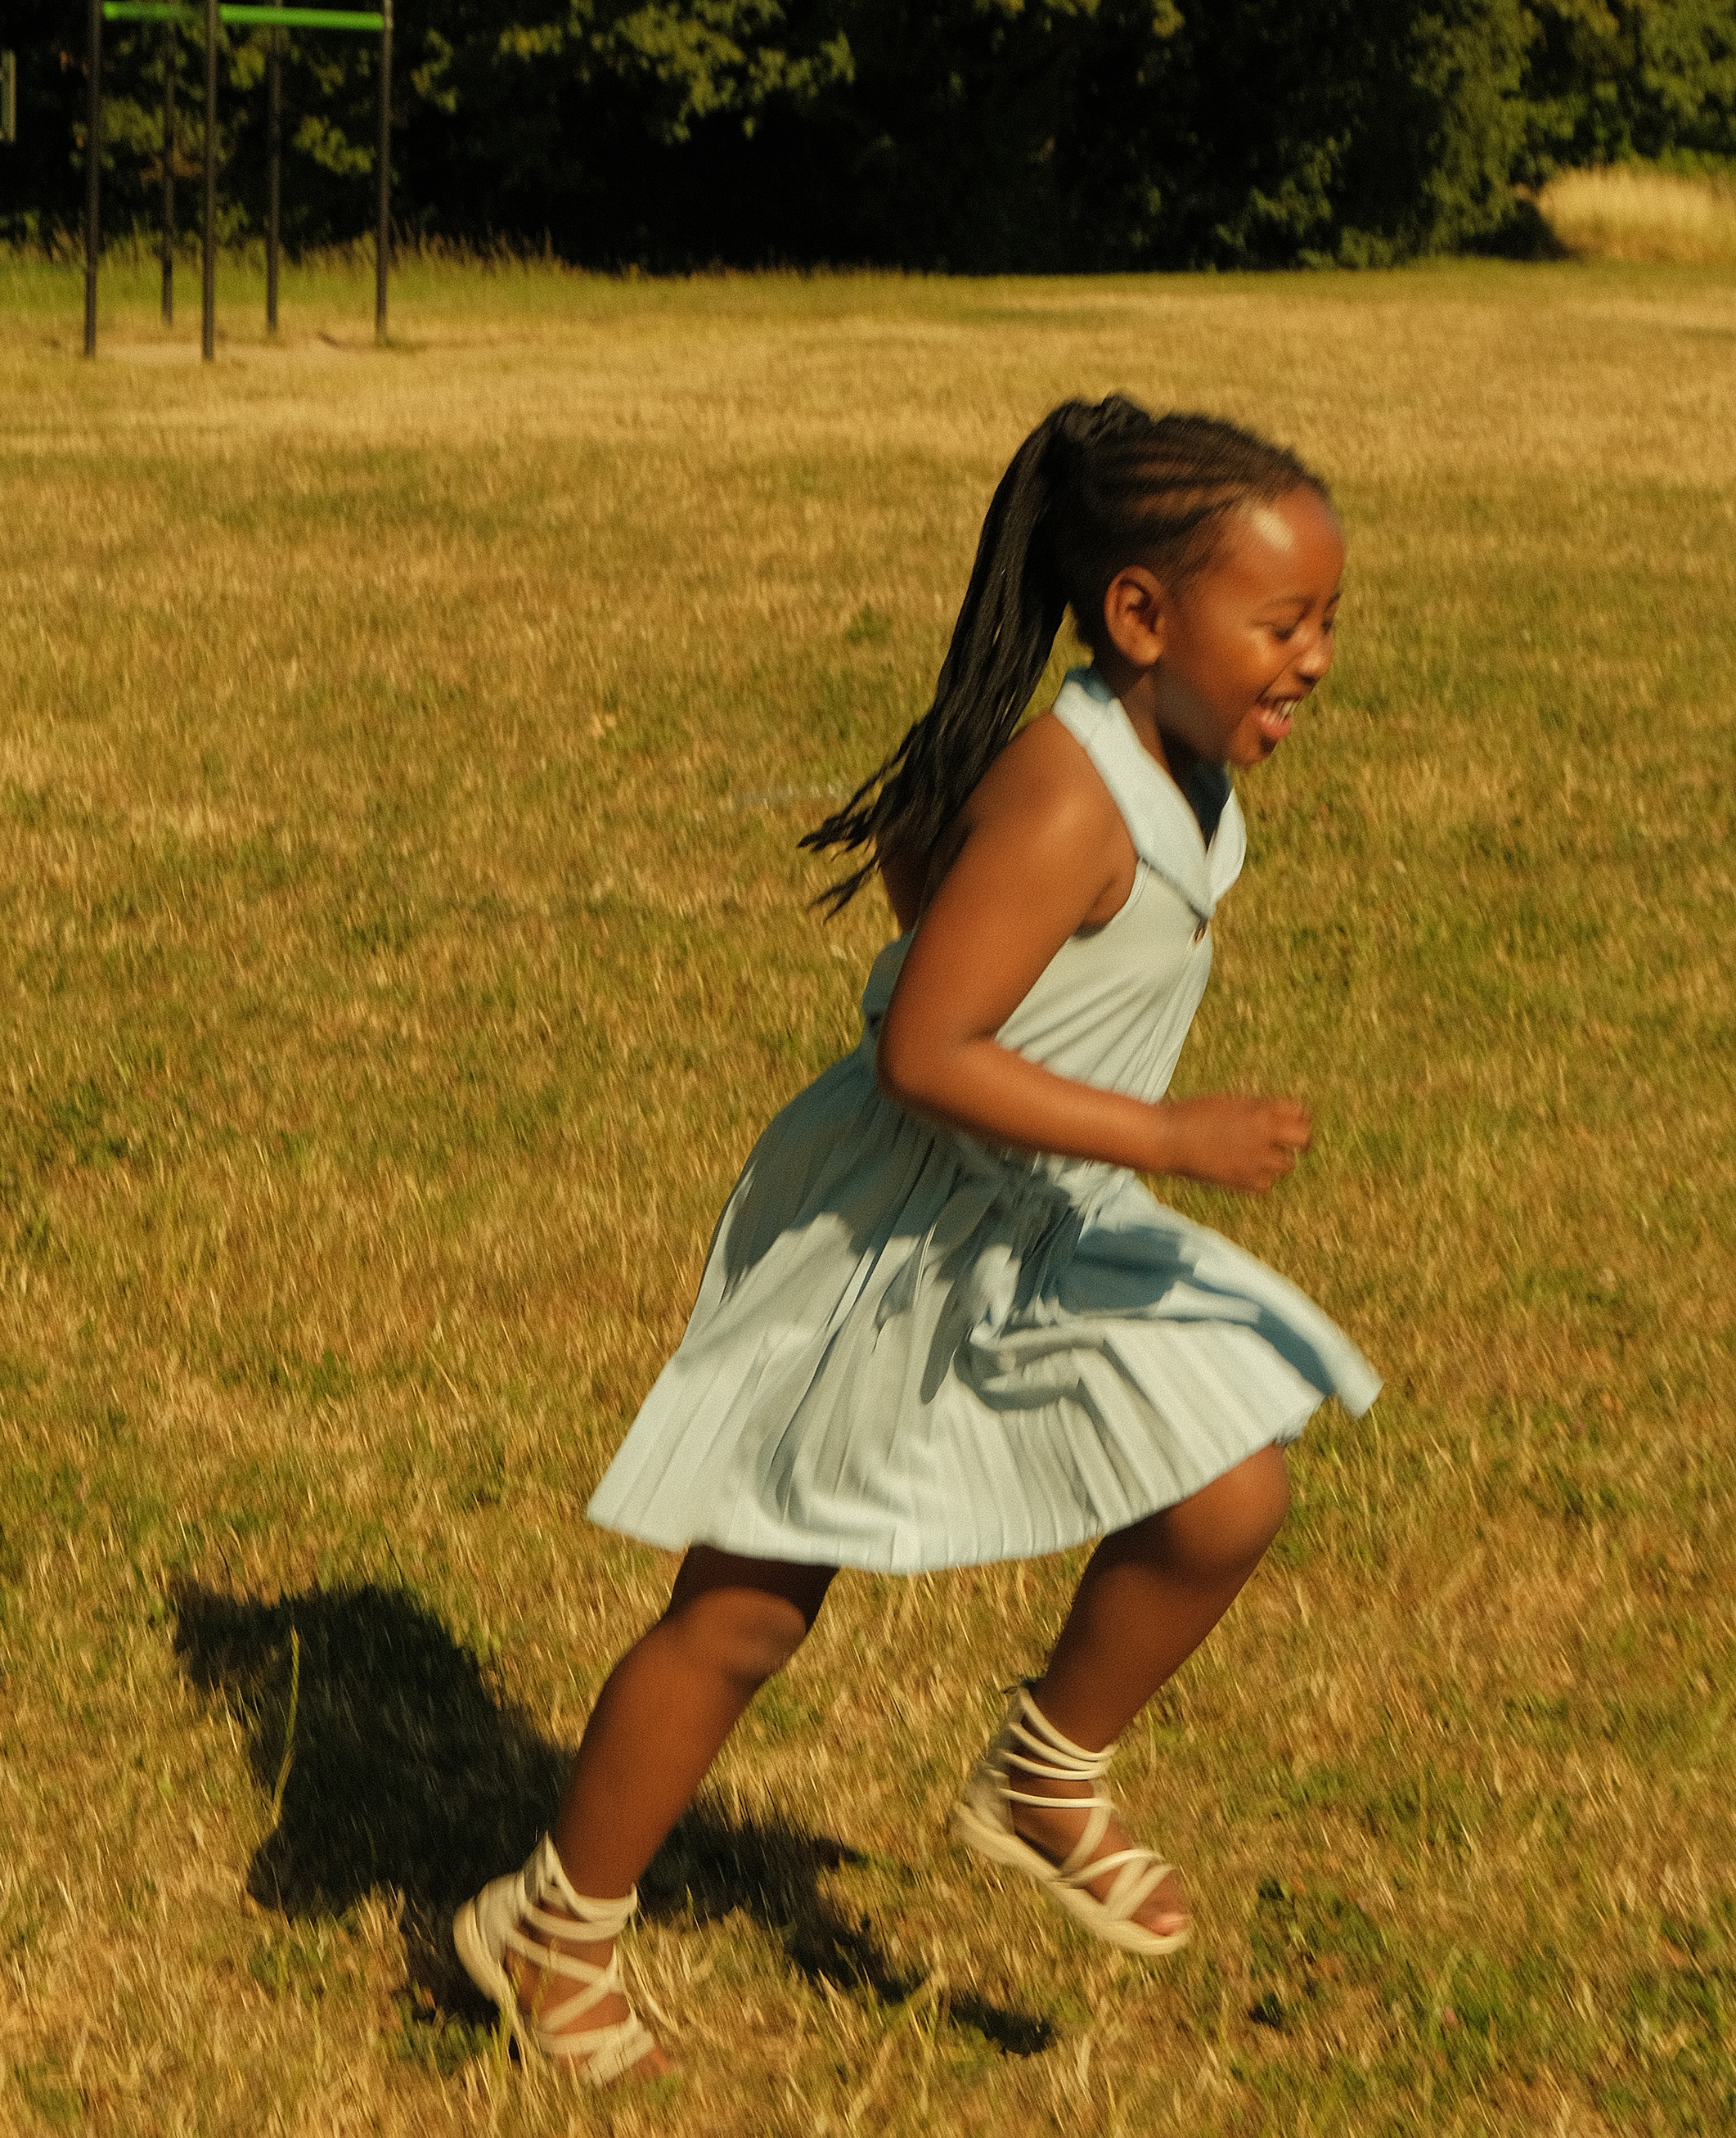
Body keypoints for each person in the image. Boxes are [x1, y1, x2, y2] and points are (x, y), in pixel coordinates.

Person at [455, 394, 1381, 2083]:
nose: (1314, 656)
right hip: (894, 1230)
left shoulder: (1157, 755)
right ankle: (553, 1921)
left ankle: (1041, 1771)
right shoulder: (1073, 789)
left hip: (1041, 1207)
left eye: (1327, 618)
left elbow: (937, 883)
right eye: (1284, 620)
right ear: (1140, 617)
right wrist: (1175, 1133)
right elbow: (927, 1053)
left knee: (1233, 1476)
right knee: (750, 1602)